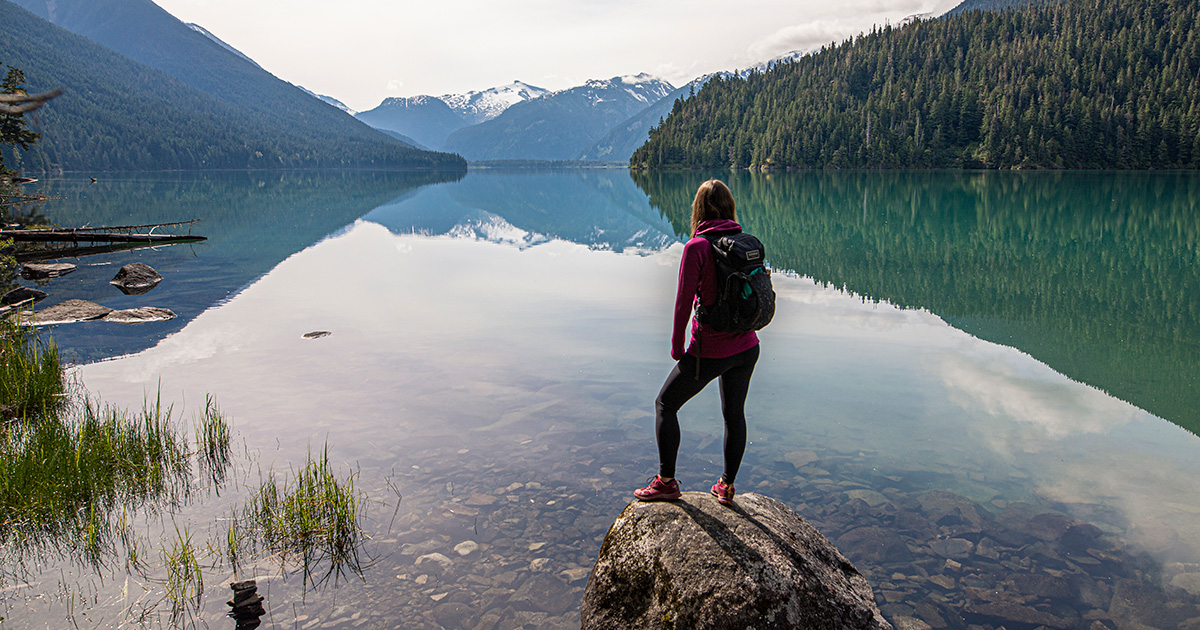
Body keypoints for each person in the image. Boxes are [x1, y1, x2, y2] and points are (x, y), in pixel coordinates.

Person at [634, 179, 760, 506]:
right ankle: (727, 487)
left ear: (698, 210)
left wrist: (678, 350)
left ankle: (665, 482)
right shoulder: (743, 242)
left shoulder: (697, 247)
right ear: (729, 206)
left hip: (710, 351)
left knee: (665, 404)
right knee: (734, 414)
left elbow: (682, 304)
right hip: (747, 347)